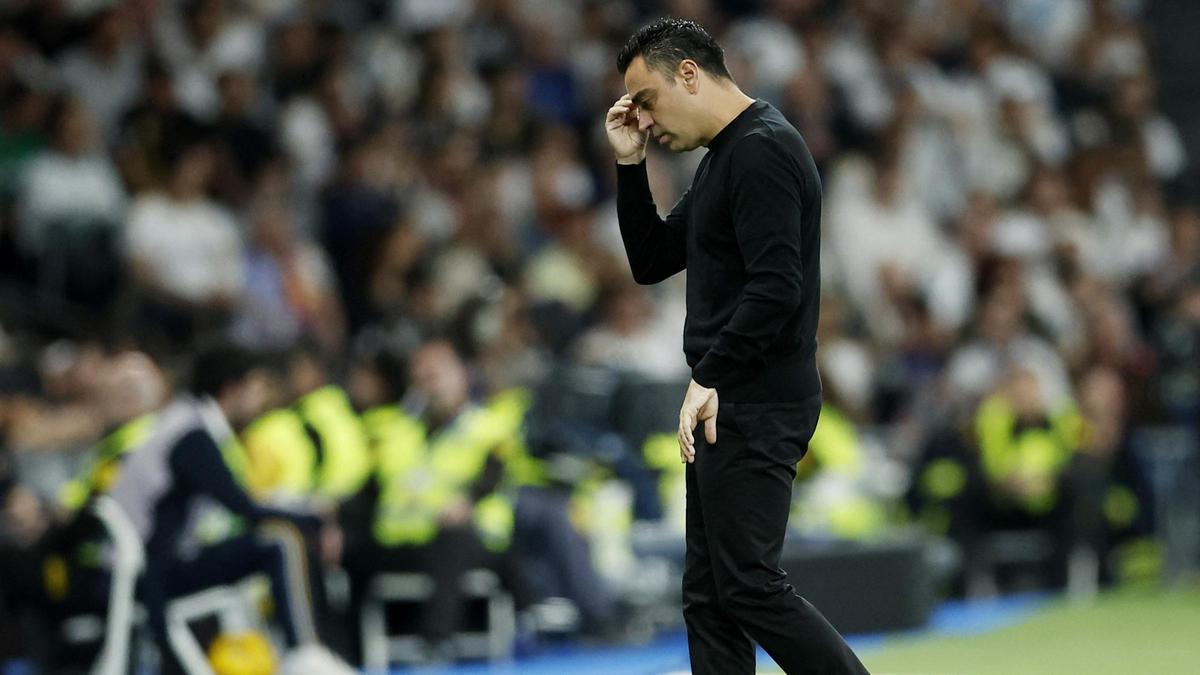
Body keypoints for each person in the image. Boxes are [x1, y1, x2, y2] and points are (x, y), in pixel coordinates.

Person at [605, 18, 867, 674]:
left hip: (755, 395)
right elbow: (654, 257)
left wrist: (711, 373)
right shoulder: (731, 153)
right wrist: (630, 166)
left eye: (646, 99)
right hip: (733, 395)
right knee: (713, 597)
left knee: (746, 584)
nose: (643, 117)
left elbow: (777, 287)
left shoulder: (763, 150)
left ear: (688, 73)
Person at [107, 342, 352, 674]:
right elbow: (241, 506)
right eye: (255, 389)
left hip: (157, 562)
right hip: (152, 573)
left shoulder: (186, 422)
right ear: (232, 389)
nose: (260, 399)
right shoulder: (191, 436)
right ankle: (305, 656)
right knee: (279, 540)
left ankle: (310, 651)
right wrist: (314, 520)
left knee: (279, 535)